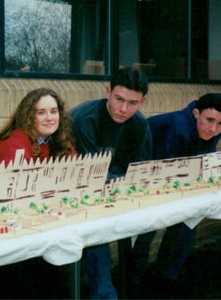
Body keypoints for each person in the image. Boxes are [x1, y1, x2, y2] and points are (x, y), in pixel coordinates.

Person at [130, 92, 221, 297]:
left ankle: (168, 276)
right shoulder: (178, 125)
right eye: (209, 120)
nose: (213, 129)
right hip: (142, 171)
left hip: (175, 178)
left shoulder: (213, 130)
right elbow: (165, 169)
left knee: (187, 220)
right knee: (147, 227)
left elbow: (204, 163)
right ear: (196, 113)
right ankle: (133, 281)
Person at [70, 67, 152, 299]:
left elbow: (140, 170)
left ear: (142, 101)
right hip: (81, 186)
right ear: (108, 92)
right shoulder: (84, 119)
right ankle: (104, 293)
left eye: (132, 103)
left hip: (118, 184)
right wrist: (121, 181)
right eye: (119, 99)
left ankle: (133, 282)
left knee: (149, 222)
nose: (123, 109)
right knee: (98, 231)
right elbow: (88, 174)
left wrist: (126, 183)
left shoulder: (138, 124)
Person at [0, 87, 77, 170]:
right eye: (41, 113)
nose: (49, 118)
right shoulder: (15, 144)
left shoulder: (58, 138)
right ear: (28, 116)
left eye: (54, 111)